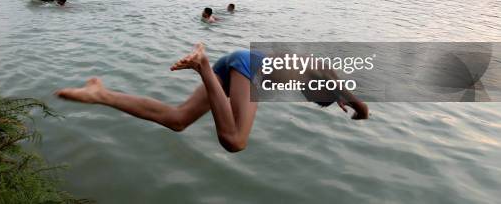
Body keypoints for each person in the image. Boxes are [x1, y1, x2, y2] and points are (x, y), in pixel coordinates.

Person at [56, 43, 369, 153]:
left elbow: (341, 90)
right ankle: (202, 66)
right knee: (235, 140)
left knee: (178, 120)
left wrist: (347, 99)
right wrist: (355, 101)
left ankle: (101, 93)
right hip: (247, 66)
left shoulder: (316, 79)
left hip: (236, 64)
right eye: (314, 95)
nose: (307, 95)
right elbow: (332, 76)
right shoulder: (314, 69)